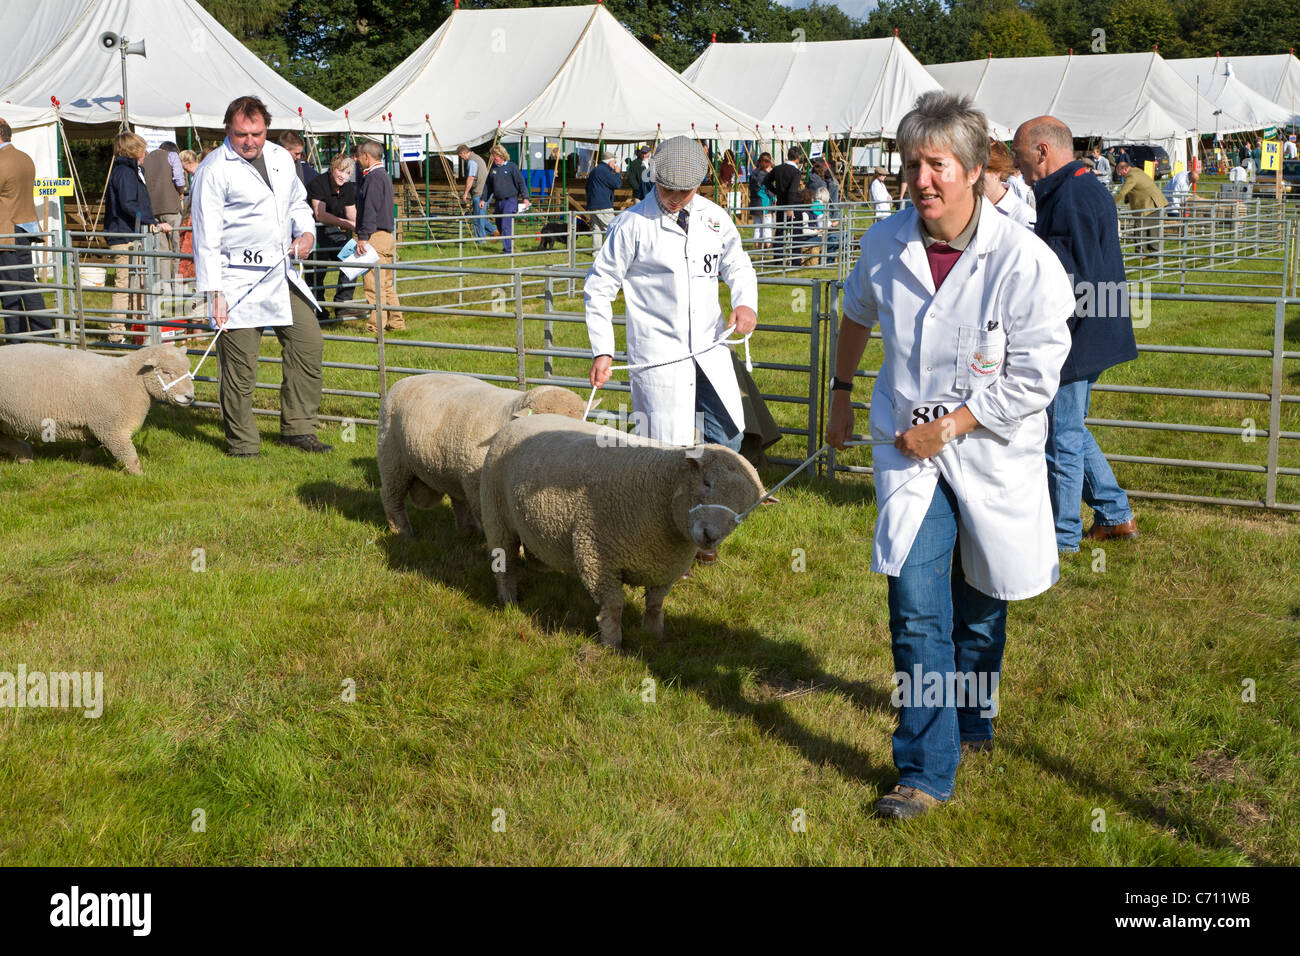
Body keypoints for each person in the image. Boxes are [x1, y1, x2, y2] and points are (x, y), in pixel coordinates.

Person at [828, 91, 1074, 822]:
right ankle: (925, 770)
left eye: (936, 164)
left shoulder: (1023, 260)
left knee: (981, 603)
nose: (921, 180)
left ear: (971, 169)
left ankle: (972, 718)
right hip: (910, 454)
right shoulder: (885, 243)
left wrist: (956, 424)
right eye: (912, 165)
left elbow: (1036, 375)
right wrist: (841, 393)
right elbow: (854, 312)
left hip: (992, 451)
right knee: (915, 608)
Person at [585, 135, 757, 455]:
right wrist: (603, 350)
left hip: (710, 345)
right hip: (658, 354)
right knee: (664, 450)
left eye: (685, 192)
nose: (676, 199)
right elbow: (599, 287)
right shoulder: (631, 225)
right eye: (667, 190)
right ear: (655, 178)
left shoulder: (714, 218)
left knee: (727, 437)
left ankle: (711, 503)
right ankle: (674, 504)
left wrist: (745, 302)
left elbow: (738, 264)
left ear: (699, 183)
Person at [1013, 115, 1139, 549]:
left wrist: (1046, 335)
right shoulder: (1083, 187)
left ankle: (1062, 537)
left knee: (1062, 436)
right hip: (1093, 328)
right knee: (1069, 427)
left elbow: (1069, 279)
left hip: (1076, 335)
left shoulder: (1070, 196)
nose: (1019, 168)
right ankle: (1114, 513)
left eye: (1020, 157)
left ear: (1042, 152)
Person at [190, 95, 331, 457]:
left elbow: (298, 202)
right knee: (240, 366)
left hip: (279, 272)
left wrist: (307, 232)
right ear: (228, 130)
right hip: (235, 278)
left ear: (265, 128)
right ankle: (243, 444)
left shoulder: (282, 157)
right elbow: (205, 237)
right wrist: (214, 292)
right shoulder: (213, 170)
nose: (250, 141)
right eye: (241, 134)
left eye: (257, 132)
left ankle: (298, 429)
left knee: (307, 343)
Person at [105, 131, 171, 344]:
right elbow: (128, 204)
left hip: (132, 233)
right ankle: (116, 334)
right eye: (142, 148)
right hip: (124, 234)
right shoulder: (124, 173)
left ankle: (138, 330)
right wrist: (150, 222)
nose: (145, 153)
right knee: (125, 284)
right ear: (134, 150)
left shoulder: (132, 171)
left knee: (138, 283)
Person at [0, 117, 49, 341]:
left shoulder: (2, 160)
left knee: (10, 286)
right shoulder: (24, 158)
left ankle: (16, 340)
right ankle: (46, 334)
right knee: (28, 284)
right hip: (24, 228)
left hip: (6, 232)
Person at [354, 140, 404, 333]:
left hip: (375, 236)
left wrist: (363, 237)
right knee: (386, 284)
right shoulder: (383, 175)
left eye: (358, 156)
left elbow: (370, 208)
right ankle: (396, 322)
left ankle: (376, 326)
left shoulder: (373, 177)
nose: (357, 160)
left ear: (367, 156)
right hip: (386, 236)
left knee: (374, 284)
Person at [306, 152, 360, 320]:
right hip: (313, 231)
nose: (343, 176)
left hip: (334, 230)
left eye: (348, 173)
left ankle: (343, 304)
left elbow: (352, 214)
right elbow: (319, 215)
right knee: (316, 272)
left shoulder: (348, 187)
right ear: (332, 169)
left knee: (353, 258)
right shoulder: (317, 183)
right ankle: (317, 310)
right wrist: (348, 224)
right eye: (340, 171)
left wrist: (360, 228)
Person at [142, 141, 185, 283]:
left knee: (162, 251)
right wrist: (181, 193)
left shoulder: (145, 159)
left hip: (153, 210)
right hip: (172, 208)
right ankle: (177, 285)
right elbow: (179, 180)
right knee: (178, 249)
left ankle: (164, 285)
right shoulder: (172, 155)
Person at [1114, 159, 1167, 255]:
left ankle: (1141, 254)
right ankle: (1153, 252)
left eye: (1119, 172)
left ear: (1125, 169)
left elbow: (1122, 192)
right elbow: (1132, 189)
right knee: (1152, 229)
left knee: (1140, 227)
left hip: (1149, 204)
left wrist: (1110, 203)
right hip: (1155, 203)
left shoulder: (1131, 176)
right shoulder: (1136, 171)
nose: (1119, 174)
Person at [481, 144, 527, 254]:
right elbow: (488, 186)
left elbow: (521, 183)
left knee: (506, 224)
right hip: (498, 201)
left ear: (501, 155)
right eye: (492, 156)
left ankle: (508, 250)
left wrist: (525, 198)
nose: (493, 158)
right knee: (500, 224)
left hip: (510, 200)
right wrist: (483, 199)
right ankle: (507, 245)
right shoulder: (493, 170)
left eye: (495, 156)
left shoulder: (512, 167)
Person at [765, 146, 805, 265]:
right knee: (796, 233)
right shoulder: (796, 172)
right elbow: (793, 190)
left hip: (781, 202)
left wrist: (777, 191)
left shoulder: (777, 168)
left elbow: (766, 182)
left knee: (780, 232)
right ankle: (795, 261)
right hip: (792, 205)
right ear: (798, 157)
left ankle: (778, 260)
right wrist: (790, 208)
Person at [983, 140, 1035, 229]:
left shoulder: (1024, 217)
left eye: (978, 172)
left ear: (997, 171)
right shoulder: (970, 208)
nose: (971, 180)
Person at [455, 143, 491, 244]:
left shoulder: (472, 161)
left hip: (479, 192)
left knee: (477, 219)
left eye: (460, 156)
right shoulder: (478, 158)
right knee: (481, 217)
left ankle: (481, 241)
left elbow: (471, 178)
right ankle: (494, 232)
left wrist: (465, 193)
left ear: (464, 153)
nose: (461, 158)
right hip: (484, 191)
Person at [585, 151, 624, 233]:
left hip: (593, 204)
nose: (615, 165)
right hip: (603, 205)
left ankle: (597, 246)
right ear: (609, 161)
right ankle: (614, 246)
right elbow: (617, 184)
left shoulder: (595, 170)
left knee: (597, 229)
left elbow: (587, 187)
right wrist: (617, 173)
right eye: (614, 162)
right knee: (613, 228)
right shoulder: (605, 171)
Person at [748, 152, 775, 249]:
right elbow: (769, 191)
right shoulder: (766, 176)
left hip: (755, 203)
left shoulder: (753, 174)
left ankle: (757, 248)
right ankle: (769, 247)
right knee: (767, 227)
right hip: (765, 203)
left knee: (757, 227)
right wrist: (774, 198)